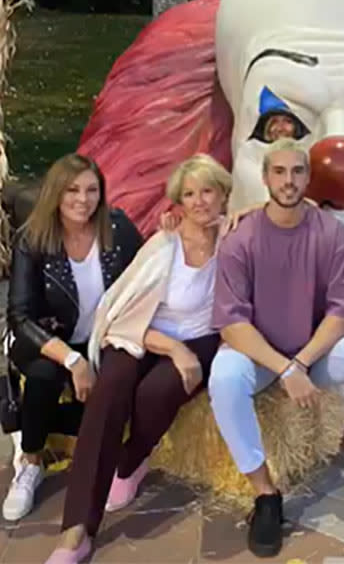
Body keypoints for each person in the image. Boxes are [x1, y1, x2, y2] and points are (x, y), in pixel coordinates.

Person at [208, 138, 344, 560]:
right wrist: (285, 369)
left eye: (297, 171)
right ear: (265, 179)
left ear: (308, 178)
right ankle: (266, 496)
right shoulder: (240, 238)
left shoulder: (330, 233)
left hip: (312, 354)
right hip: (262, 357)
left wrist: (301, 363)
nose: (288, 180)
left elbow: (342, 312)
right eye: (279, 172)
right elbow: (232, 325)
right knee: (224, 379)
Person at [45, 155, 230, 564]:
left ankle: (131, 461)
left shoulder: (235, 241)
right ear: (177, 202)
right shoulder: (164, 244)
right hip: (141, 333)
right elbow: (125, 314)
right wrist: (173, 348)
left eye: (207, 191)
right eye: (188, 194)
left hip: (200, 338)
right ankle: (76, 531)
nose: (199, 202)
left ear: (223, 195)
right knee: (109, 392)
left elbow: (289, 207)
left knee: (158, 391)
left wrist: (237, 221)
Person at [4, 154, 143, 522]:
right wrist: (72, 360)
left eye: (91, 190)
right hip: (48, 340)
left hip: (103, 339)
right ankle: (31, 460)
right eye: (73, 190)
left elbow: (150, 274)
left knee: (114, 393)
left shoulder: (118, 229)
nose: (83, 199)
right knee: (43, 378)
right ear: (56, 193)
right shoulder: (32, 239)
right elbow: (20, 317)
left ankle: (111, 455)